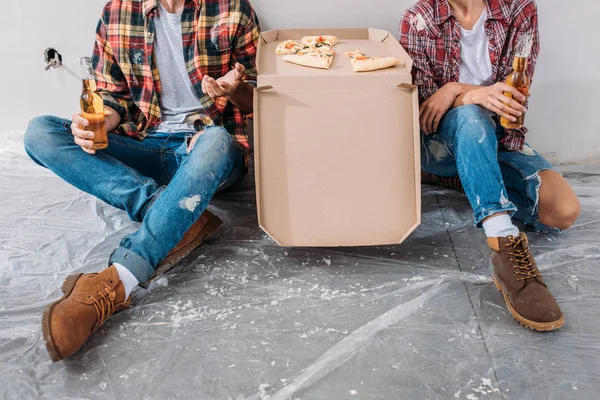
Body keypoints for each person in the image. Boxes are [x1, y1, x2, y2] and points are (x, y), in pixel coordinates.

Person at [24, 0, 260, 361]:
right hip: (143, 143)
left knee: (215, 140)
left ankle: (118, 279)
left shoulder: (232, 8)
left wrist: (235, 90)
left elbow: (260, 96)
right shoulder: (118, 11)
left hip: (206, 149)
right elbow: (112, 98)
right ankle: (174, 214)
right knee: (40, 132)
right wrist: (100, 123)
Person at [400, 0, 580, 331]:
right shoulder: (420, 18)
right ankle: (503, 242)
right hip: (442, 144)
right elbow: (425, 109)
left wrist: (457, 90)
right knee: (470, 117)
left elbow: (516, 90)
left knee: (563, 211)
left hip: (499, 139)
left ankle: (470, 180)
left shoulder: (519, 9)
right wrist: (472, 99)